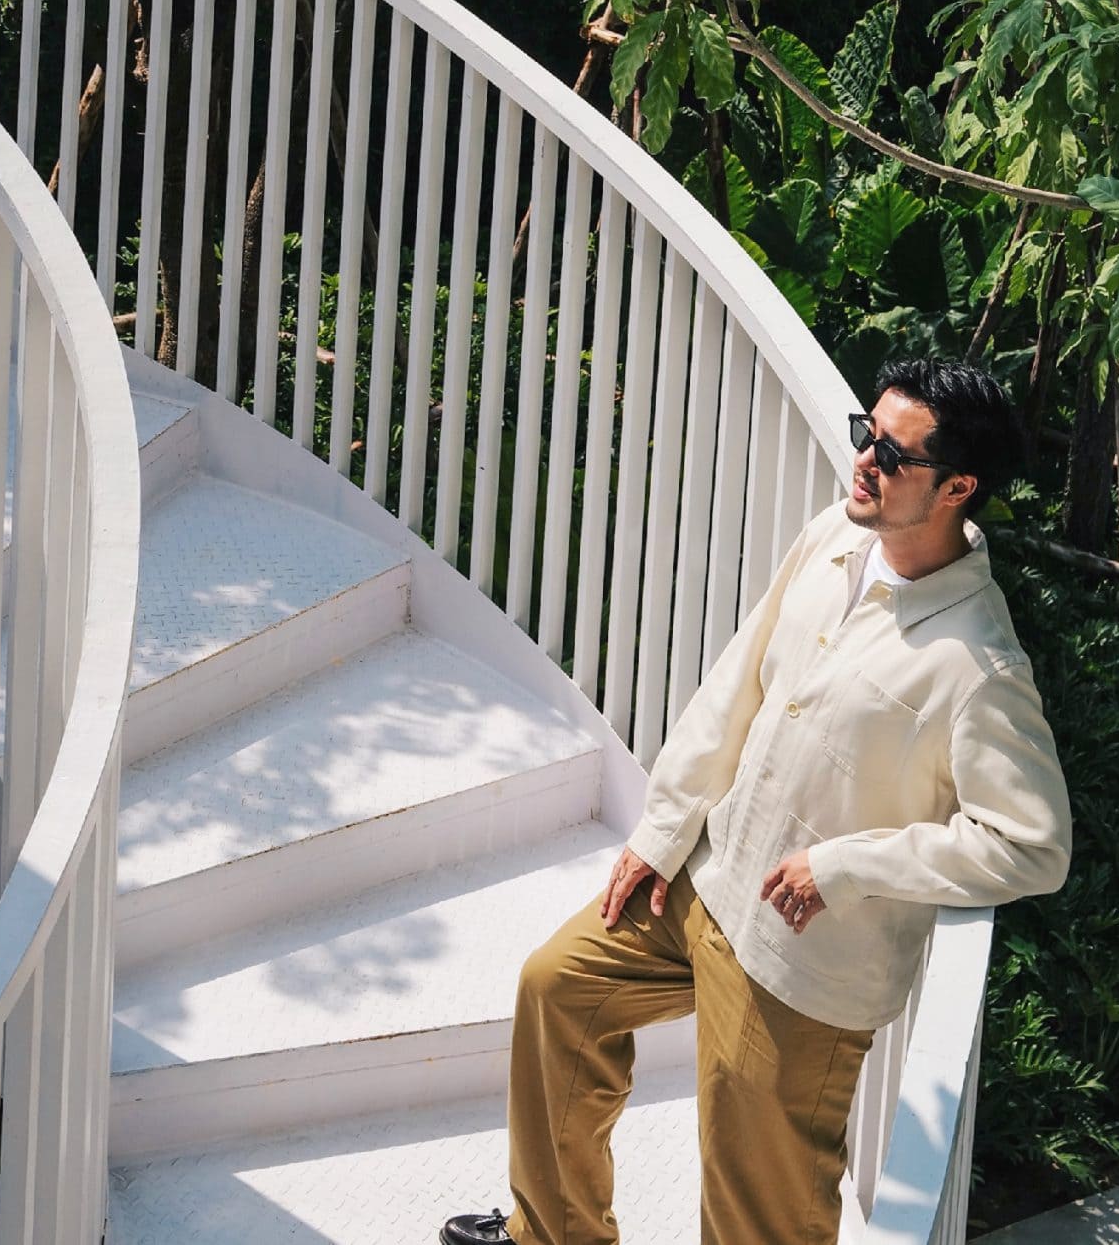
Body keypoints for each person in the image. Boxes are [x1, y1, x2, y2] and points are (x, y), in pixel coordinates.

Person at [443, 356, 1074, 1245]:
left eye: (893, 455)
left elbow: (1032, 844)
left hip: (803, 964)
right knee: (558, 988)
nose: (865, 460)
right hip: (707, 879)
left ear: (957, 488)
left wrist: (844, 866)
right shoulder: (834, 536)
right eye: (867, 435)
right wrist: (663, 832)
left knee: (755, 1220)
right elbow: (736, 686)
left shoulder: (980, 665)